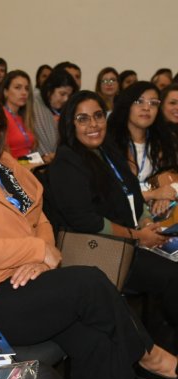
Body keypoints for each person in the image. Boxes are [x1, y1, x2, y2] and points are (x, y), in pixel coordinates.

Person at [0, 89, 178, 379]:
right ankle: (151, 357)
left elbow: (39, 216)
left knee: (96, 342)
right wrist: (36, 250)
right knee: (90, 281)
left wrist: (41, 259)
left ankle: (142, 358)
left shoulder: (1, 164)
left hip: (25, 281)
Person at [44, 89, 178, 346]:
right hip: (101, 254)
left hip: (130, 242)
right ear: (71, 123)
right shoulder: (66, 162)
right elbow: (87, 221)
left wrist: (147, 221)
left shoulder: (108, 151)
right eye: (83, 119)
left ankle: (160, 347)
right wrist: (139, 236)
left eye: (97, 116)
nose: (93, 125)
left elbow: (133, 196)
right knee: (172, 276)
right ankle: (160, 357)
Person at [108, 81, 178, 215]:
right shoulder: (109, 143)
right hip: (121, 216)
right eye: (139, 101)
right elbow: (109, 194)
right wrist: (153, 195)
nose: (147, 108)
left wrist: (168, 193)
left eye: (153, 103)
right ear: (127, 105)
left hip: (158, 215)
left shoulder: (165, 141)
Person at [33, 69, 78, 164]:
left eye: (69, 95)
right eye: (62, 94)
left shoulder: (66, 111)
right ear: (49, 90)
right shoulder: (35, 105)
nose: (66, 99)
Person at [0, 70, 36, 158]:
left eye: (26, 89)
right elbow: (4, 157)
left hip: (29, 168)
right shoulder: (1, 115)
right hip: (12, 169)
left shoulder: (25, 117)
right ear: (6, 92)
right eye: (18, 88)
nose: (24, 93)